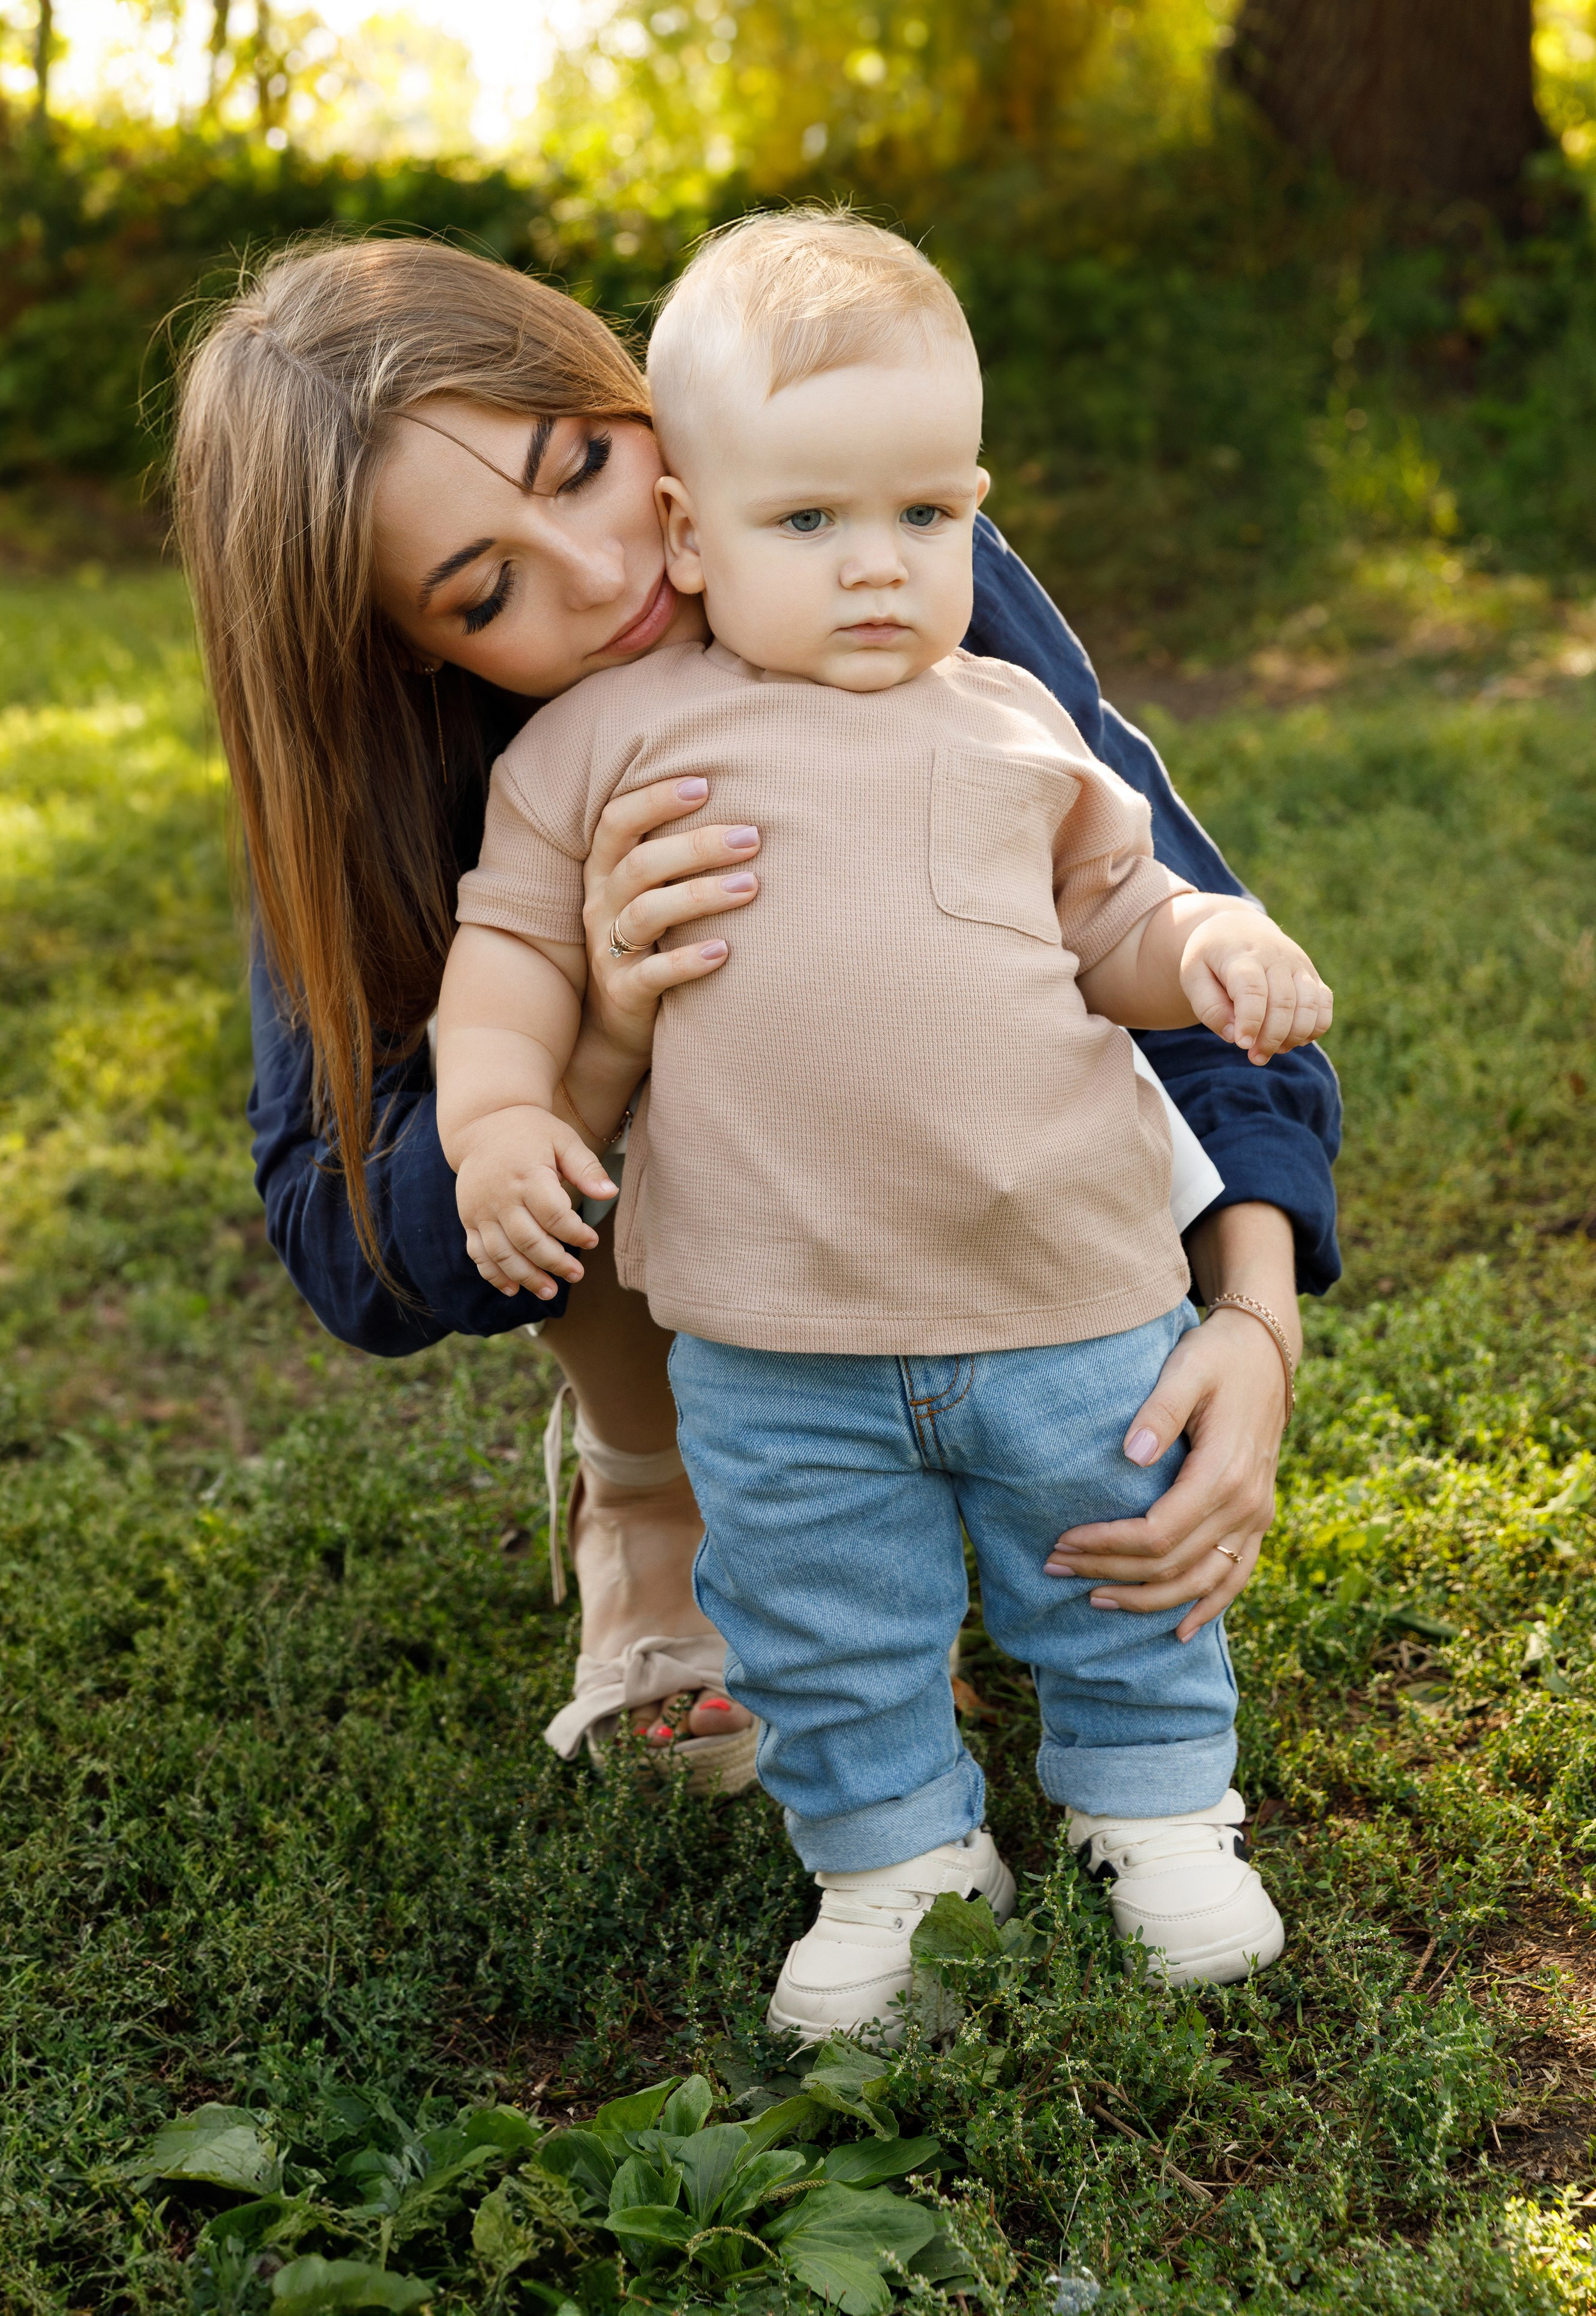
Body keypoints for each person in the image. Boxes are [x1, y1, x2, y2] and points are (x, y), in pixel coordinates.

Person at [169, 232, 1340, 1811]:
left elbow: (1173, 936)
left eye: (585, 465)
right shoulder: (371, 773)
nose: (606, 573)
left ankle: (930, 1448)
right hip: (688, 1207)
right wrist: (599, 1036)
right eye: (486, 589)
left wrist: (1252, 1322)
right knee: (560, 1058)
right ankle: (653, 1489)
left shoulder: (856, 534)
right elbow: (354, 1241)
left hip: (973, 1186)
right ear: (402, 648)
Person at [435, 210, 1334, 2029]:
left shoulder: (1010, 720)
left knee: (1117, 1557)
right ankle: (895, 1862)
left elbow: (1116, 924)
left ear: (974, 511)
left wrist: (1208, 947)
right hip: (773, 1332)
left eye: (923, 516)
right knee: (817, 1611)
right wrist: (501, 1117)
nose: (875, 566)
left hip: (1065, 1291)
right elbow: (509, 953)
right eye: (807, 522)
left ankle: (1156, 1811)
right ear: (692, 532)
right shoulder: (598, 744)